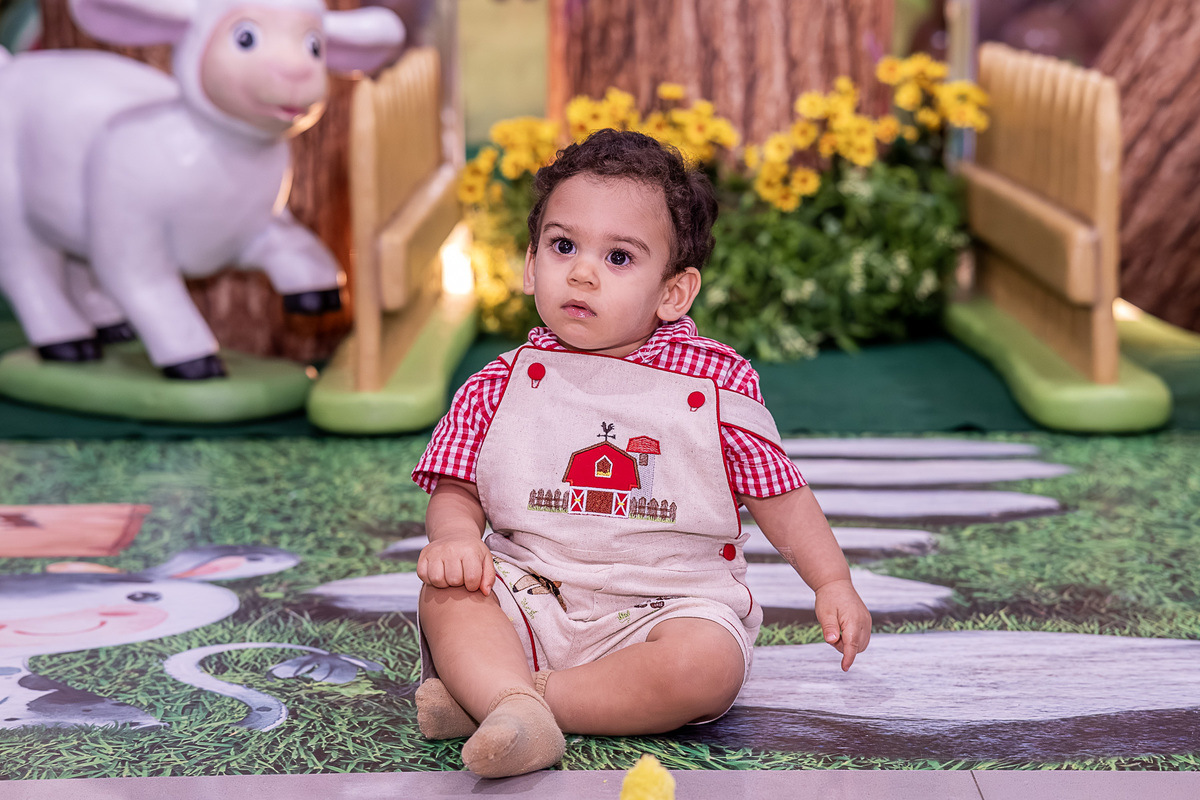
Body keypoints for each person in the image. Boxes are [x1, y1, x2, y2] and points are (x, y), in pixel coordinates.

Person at [411, 128, 871, 779]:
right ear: (529, 263)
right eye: (562, 246)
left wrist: (832, 582)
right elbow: (455, 485)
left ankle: (510, 701)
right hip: (533, 593)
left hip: (667, 606)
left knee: (704, 665)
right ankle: (508, 698)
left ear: (672, 292)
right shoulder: (499, 384)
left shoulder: (715, 384)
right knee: (449, 594)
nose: (582, 272)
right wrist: (456, 538)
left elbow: (781, 495)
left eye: (619, 257)